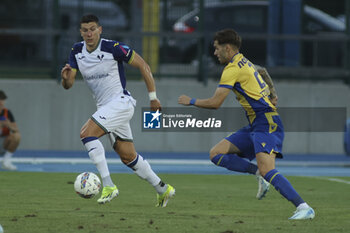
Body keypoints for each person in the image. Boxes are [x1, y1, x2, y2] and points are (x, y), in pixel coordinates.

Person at [178, 29, 315, 220]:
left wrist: (191, 101)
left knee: (269, 169)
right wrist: (273, 93)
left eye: (216, 48)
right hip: (255, 124)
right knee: (216, 154)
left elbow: (216, 103)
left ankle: (304, 207)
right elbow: (263, 71)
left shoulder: (232, 69)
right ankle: (257, 173)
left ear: (227, 48)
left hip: (266, 122)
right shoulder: (243, 61)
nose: (215, 52)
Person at [61, 14, 175, 206]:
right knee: (128, 156)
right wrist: (65, 78)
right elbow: (68, 84)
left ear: (100, 30)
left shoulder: (113, 48)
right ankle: (163, 189)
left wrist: (153, 98)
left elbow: (143, 65)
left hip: (121, 103)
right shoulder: (76, 51)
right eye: (85, 30)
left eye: (92, 29)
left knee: (86, 133)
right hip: (105, 108)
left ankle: (108, 185)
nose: (89, 33)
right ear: (80, 32)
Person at [0, 90, 21, 171]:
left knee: (17, 136)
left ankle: (6, 161)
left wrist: (8, 125)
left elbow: (16, 130)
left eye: (2, 100)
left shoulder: (7, 113)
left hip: (3, 142)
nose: (1, 102)